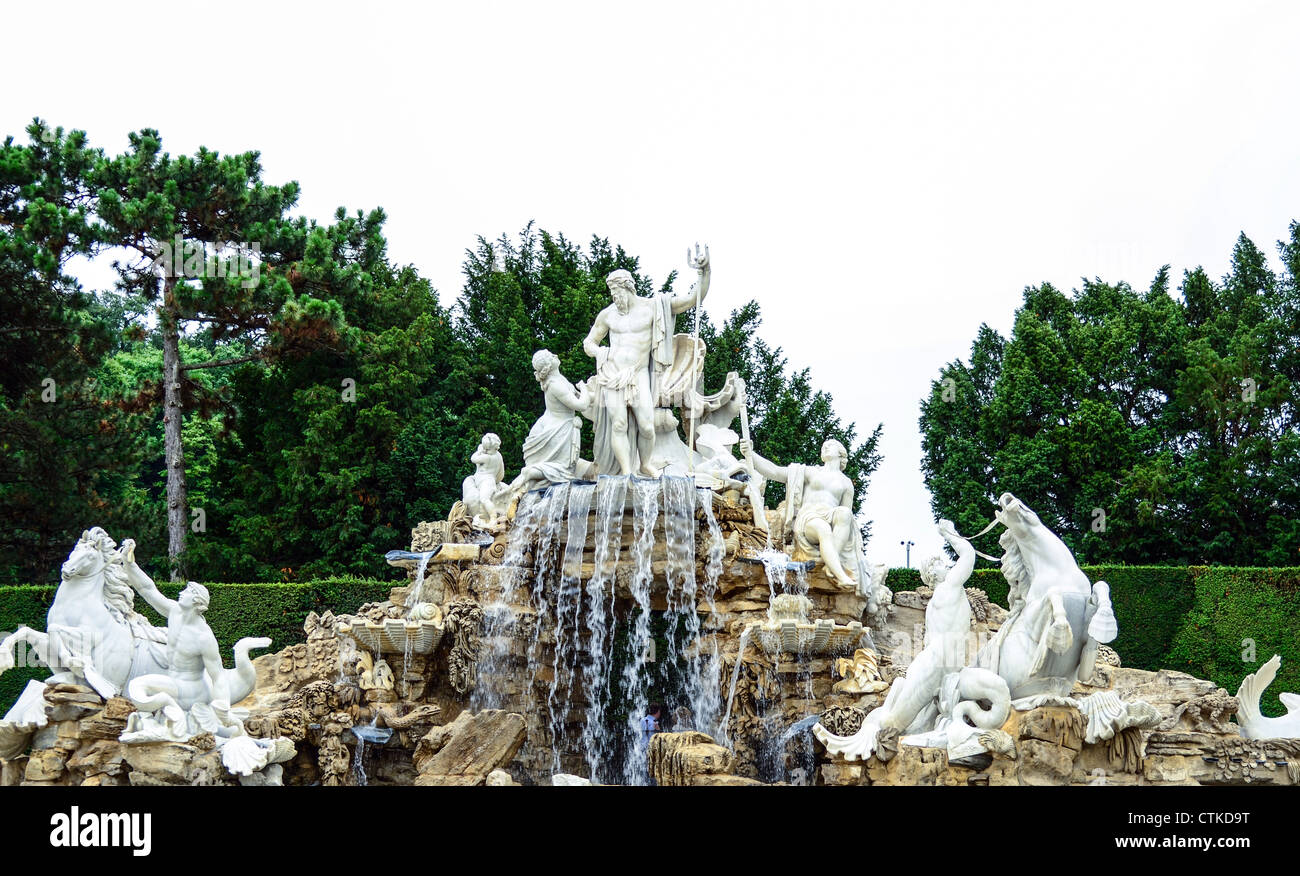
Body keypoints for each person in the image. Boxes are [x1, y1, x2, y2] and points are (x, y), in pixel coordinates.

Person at [581, 245, 710, 476]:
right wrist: (600, 353)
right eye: (611, 293)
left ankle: (645, 464)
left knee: (647, 426)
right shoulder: (608, 314)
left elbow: (692, 299)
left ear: (628, 288)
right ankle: (627, 471)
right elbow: (589, 343)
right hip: (612, 375)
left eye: (617, 292)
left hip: (639, 373)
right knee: (618, 424)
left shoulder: (653, 308)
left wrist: (705, 270)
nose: (614, 298)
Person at [739, 436, 868, 593]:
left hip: (831, 514)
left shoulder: (846, 483)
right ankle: (839, 574)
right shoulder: (810, 472)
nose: (825, 447)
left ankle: (831, 563)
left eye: (830, 445)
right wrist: (751, 454)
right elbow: (775, 471)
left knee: (845, 513)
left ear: (841, 453)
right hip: (809, 517)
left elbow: (847, 522)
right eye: (823, 446)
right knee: (823, 529)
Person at [508, 350, 592, 495]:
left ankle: (529, 477)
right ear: (548, 364)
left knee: (564, 470)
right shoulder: (554, 384)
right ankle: (528, 474)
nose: (556, 355)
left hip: (556, 427)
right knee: (561, 469)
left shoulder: (559, 379)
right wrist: (584, 388)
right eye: (552, 356)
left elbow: (579, 398)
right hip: (556, 431)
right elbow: (581, 405)